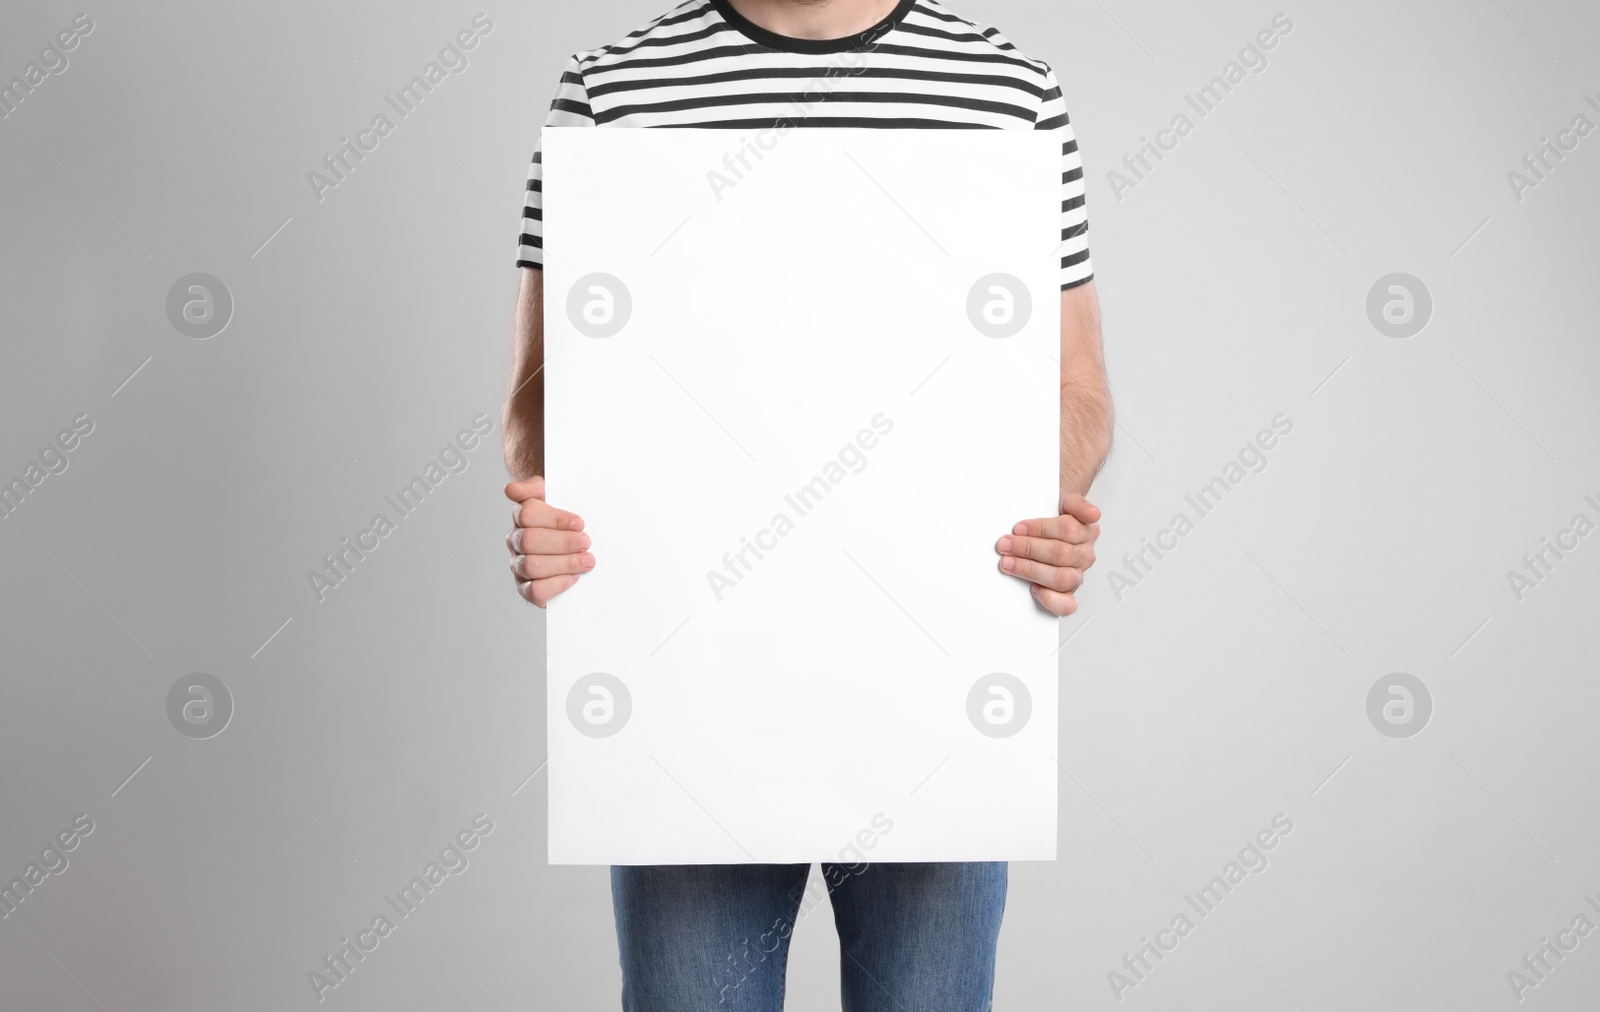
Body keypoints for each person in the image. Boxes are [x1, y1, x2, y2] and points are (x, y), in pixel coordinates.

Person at [500, 1, 1112, 1007]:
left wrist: (1040, 502)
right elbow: (535, 395)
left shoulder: (1008, 92)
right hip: (690, 695)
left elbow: (1077, 386)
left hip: (934, 679)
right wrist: (552, 511)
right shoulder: (610, 90)